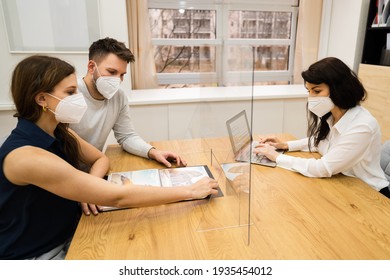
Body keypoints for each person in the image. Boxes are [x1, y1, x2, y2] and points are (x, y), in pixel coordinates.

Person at [0, 55, 219, 260]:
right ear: (41, 99)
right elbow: (118, 197)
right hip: (38, 254)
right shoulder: (26, 157)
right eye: (70, 92)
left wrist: (88, 188)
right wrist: (190, 191)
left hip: (71, 230)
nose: (78, 98)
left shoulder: (60, 131)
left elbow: (100, 159)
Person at [69, 37, 188, 215]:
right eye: (111, 72)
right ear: (92, 67)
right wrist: (87, 187)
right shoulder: (70, 93)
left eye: (122, 74)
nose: (117, 80)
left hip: (96, 173)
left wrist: (153, 151)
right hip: (68, 181)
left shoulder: (119, 97)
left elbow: (126, 136)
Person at [254, 57, 390, 198]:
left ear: (338, 88)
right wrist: (284, 145)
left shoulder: (362, 126)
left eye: (317, 91)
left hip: (372, 195)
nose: (311, 98)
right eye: (309, 91)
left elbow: (322, 168)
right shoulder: (333, 114)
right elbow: (320, 142)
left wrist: (275, 157)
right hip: (346, 184)